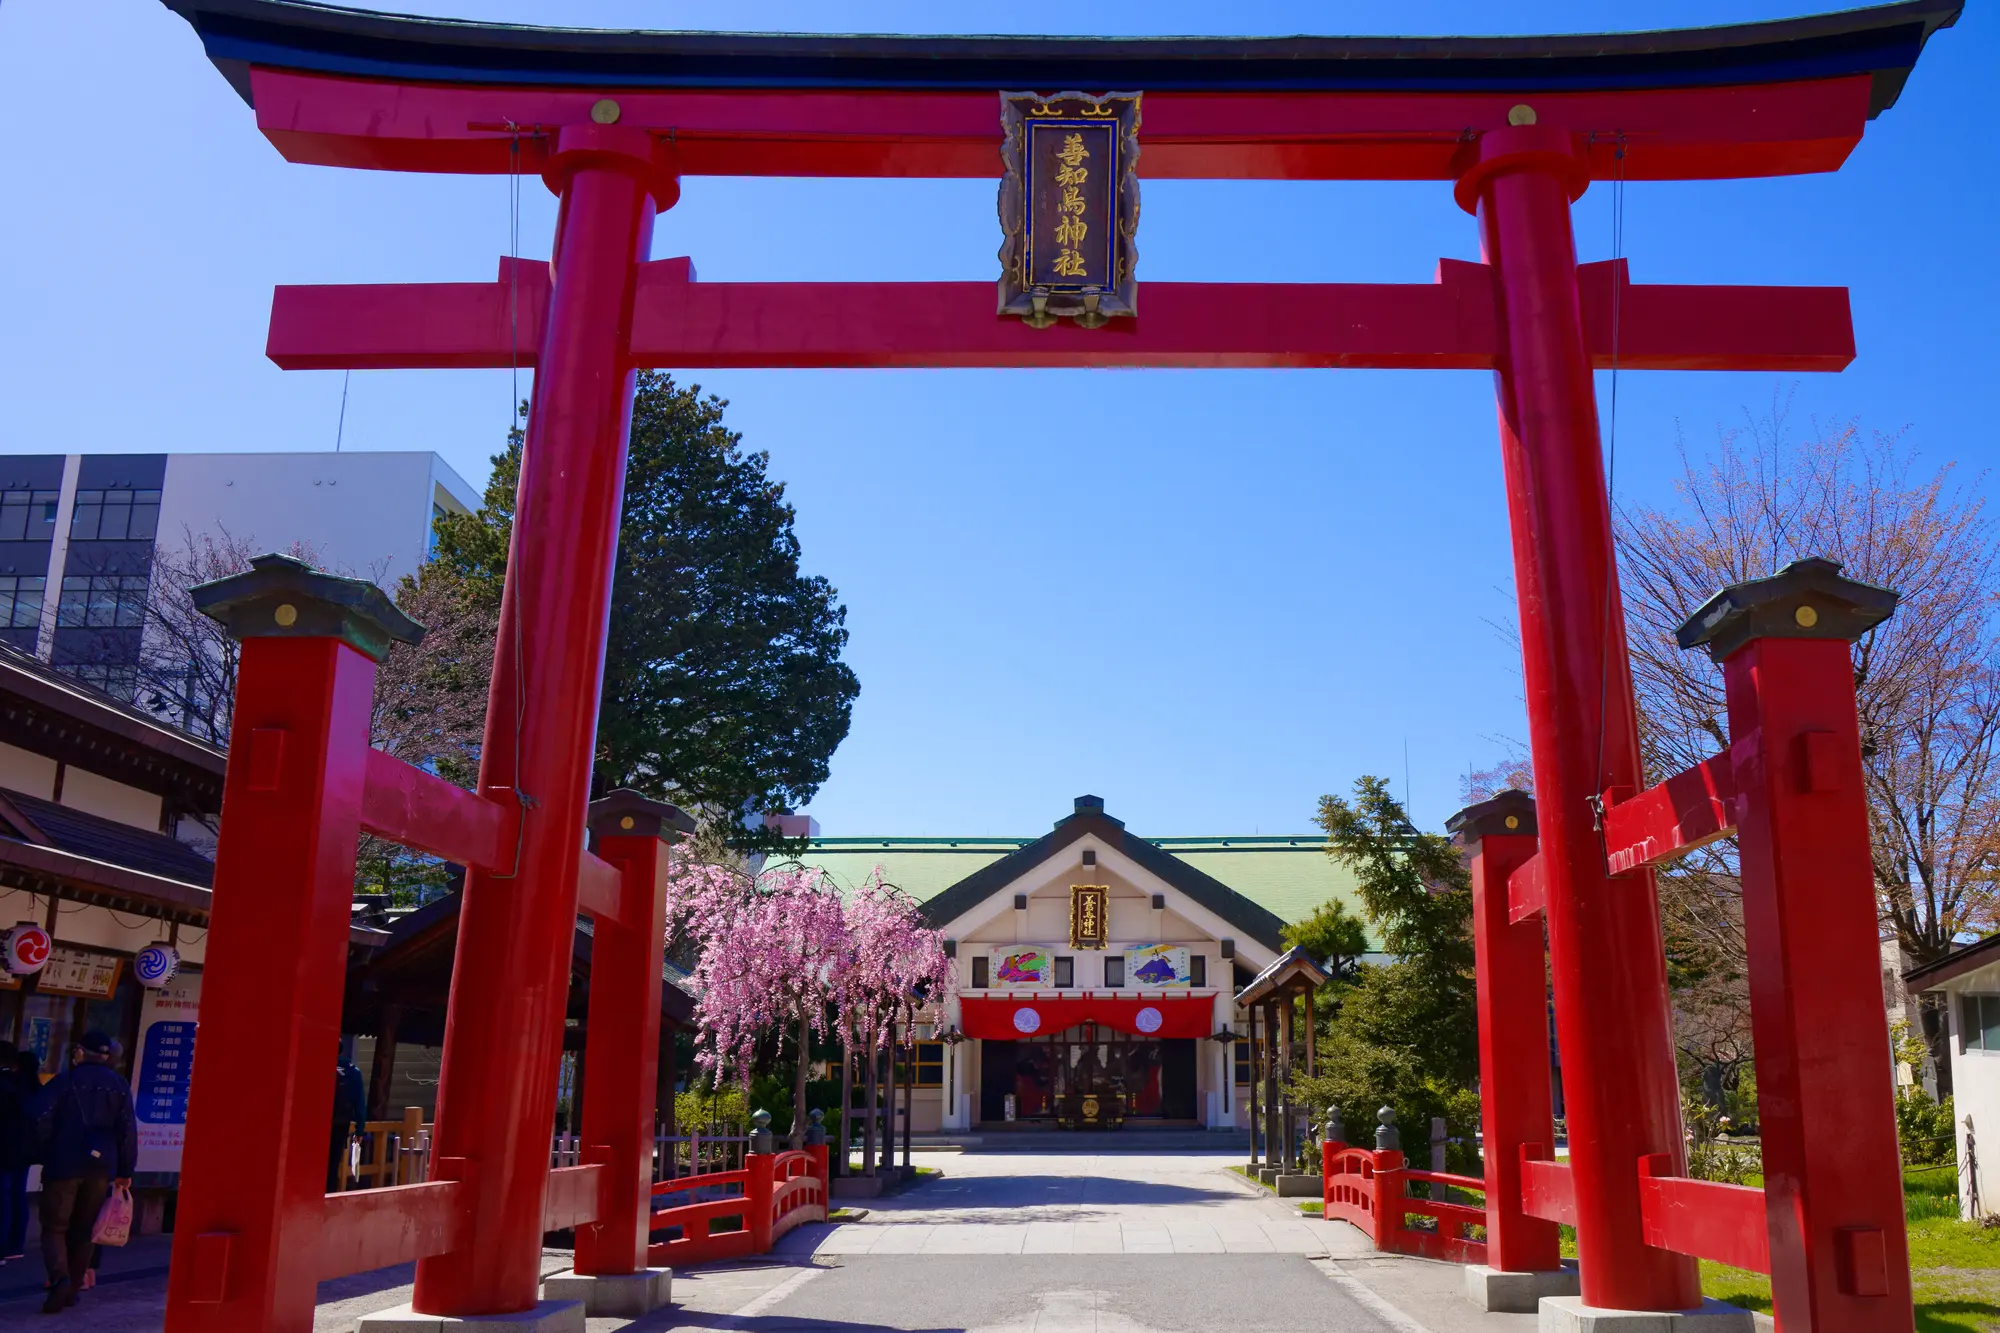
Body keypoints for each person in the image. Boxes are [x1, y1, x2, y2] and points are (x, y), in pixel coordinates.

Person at [31, 1031, 135, 1315]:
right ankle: (74, 1287)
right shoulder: (119, 1085)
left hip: (63, 1165)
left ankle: (59, 1279)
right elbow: (127, 1132)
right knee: (86, 1228)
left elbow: (40, 1117)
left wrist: (44, 1151)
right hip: (101, 1168)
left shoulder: (65, 1081)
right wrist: (125, 1170)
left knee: (55, 1227)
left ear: (79, 1053)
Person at [0, 1043, 35, 1263]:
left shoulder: (5, 1084)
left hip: (4, 1149)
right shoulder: (29, 1085)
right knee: (17, 1194)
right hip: (23, 1150)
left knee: (3, 1196)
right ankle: (15, 1244)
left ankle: (2, 1247)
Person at [329, 1053, 366, 1191]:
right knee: (333, 1165)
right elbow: (360, 1104)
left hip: (317, 1127)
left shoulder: (319, 1065)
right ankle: (328, 1195)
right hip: (340, 1125)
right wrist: (360, 1129)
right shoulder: (352, 1072)